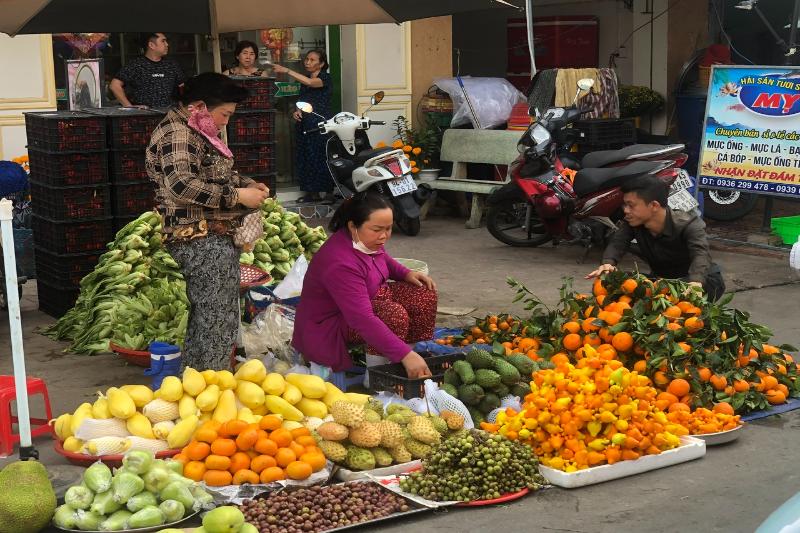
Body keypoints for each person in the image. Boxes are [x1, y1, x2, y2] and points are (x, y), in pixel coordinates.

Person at [146, 73, 270, 370]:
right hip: (197, 237)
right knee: (216, 317)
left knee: (214, 314)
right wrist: (237, 195)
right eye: (224, 114)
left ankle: (200, 381)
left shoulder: (195, 129)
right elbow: (182, 186)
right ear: (199, 106)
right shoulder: (177, 132)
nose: (226, 121)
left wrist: (250, 184)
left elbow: (215, 173)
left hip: (212, 236)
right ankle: (212, 383)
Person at [292, 193, 437, 380]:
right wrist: (404, 355)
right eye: (377, 229)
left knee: (423, 293)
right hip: (330, 324)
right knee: (393, 315)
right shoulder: (340, 263)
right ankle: (378, 378)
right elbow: (362, 319)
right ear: (353, 226)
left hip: (366, 300)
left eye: (389, 228)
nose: (384, 236)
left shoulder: (366, 241)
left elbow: (382, 258)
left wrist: (405, 273)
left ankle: (405, 362)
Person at [586, 176, 726, 301]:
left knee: (676, 304)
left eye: (631, 205)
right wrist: (608, 263)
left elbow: (700, 253)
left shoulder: (688, 224)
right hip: (662, 281)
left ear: (654, 205)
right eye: (625, 205)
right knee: (612, 284)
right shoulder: (632, 223)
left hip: (702, 281)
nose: (626, 210)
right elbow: (618, 243)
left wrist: (696, 282)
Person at [272, 50, 333, 204]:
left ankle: (329, 193)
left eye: (312, 60)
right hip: (305, 122)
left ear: (322, 63)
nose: (308, 62)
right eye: (306, 59)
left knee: (321, 156)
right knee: (306, 156)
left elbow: (311, 83)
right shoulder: (304, 80)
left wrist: (287, 70)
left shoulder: (325, 77)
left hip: (319, 122)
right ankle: (311, 193)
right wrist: (297, 111)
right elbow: (302, 99)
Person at [110, 32, 186, 109]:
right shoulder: (136, 65)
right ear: (151, 45)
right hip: (144, 116)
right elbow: (114, 85)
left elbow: (183, 87)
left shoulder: (172, 65)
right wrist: (129, 107)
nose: (167, 44)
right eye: (163, 41)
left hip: (170, 115)